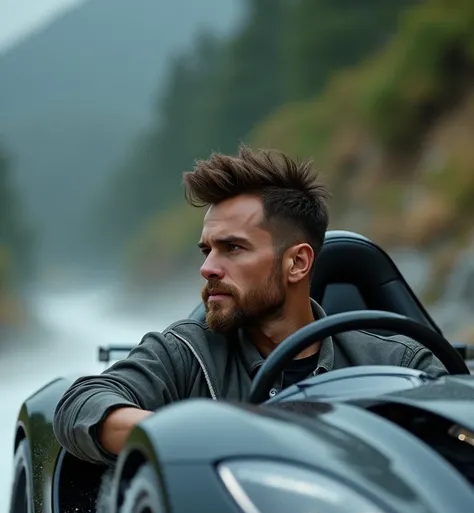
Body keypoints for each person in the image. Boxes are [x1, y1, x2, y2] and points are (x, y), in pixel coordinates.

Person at [53, 145, 446, 465]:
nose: (208, 268)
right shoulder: (189, 352)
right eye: (207, 250)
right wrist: (190, 433)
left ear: (297, 262)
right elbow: (79, 406)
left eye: (233, 248)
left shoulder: (396, 364)